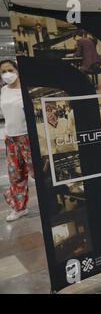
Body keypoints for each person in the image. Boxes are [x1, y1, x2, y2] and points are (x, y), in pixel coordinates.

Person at [0, 60, 34, 222]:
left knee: (38, 173)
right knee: (16, 175)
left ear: (17, 70)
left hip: (27, 137)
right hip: (11, 138)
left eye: (10, 70)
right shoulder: (3, 90)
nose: (7, 74)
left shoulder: (27, 90)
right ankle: (20, 208)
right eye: (3, 71)